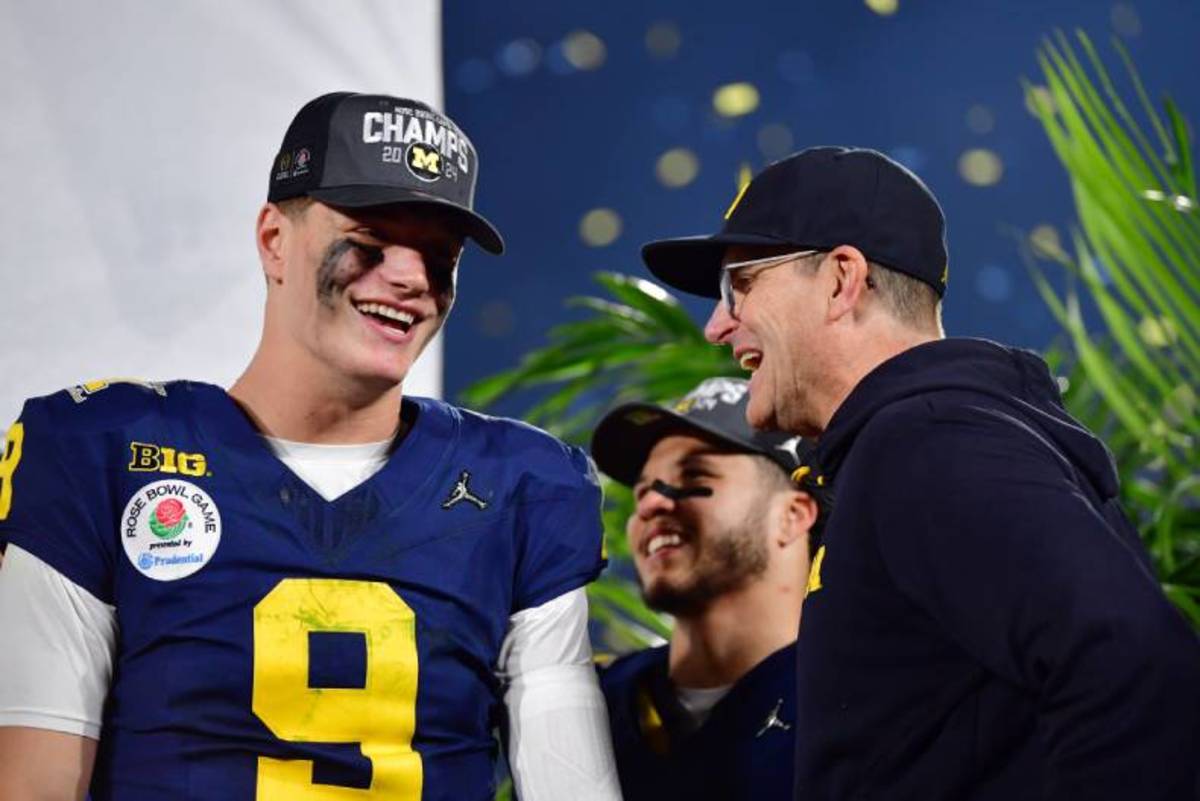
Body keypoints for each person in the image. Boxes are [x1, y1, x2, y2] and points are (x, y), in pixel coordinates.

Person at [0, 93, 621, 801]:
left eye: (438, 255)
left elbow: (571, 788)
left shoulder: (520, 485)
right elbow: (34, 781)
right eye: (371, 239)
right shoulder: (102, 450)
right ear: (274, 240)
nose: (412, 277)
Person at [636, 146, 1200, 800]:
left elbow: (1137, 663)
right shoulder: (908, 447)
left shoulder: (924, 443)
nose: (715, 325)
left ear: (842, 279)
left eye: (741, 284)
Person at [589, 376, 824, 800]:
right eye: (642, 490)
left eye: (695, 474)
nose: (651, 503)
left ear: (792, 515)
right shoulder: (586, 706)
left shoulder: (868, 704)